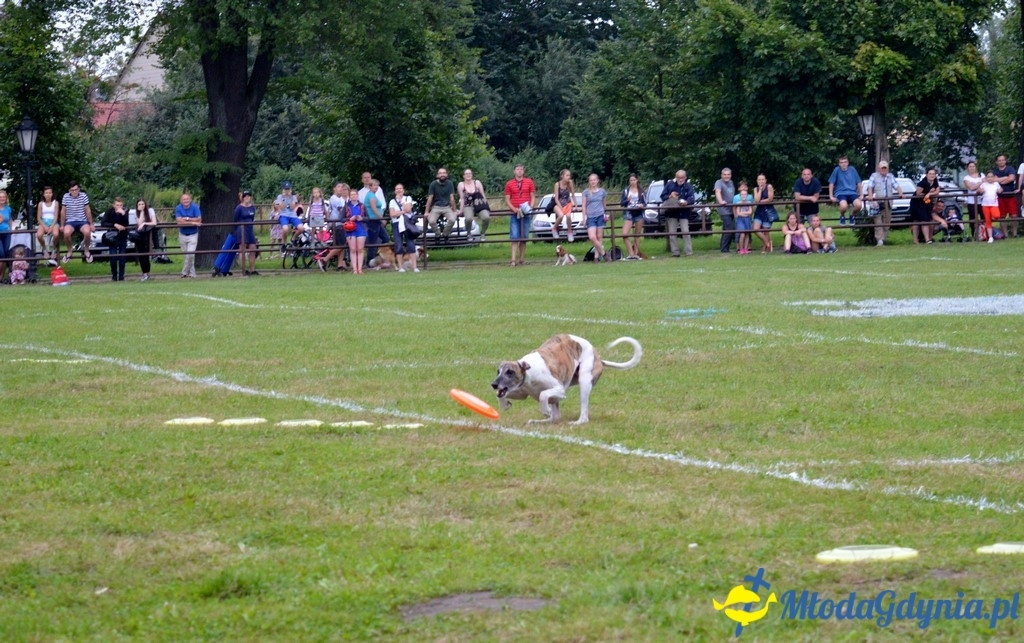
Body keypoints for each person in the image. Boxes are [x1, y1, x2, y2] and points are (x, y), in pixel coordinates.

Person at [503, 163, 535, 266]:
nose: (519, 171)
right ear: (514, 171)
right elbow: (507, 199)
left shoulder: (529, 182)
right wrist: (514, 209)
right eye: (517, 169)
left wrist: (530, 207)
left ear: (523, 171)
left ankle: (522, 259)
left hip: (526, 212)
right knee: (514, 236)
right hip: (514, 212)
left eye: (521, 169)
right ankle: (513, 259)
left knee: (524, 236)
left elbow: (533, 196)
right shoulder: (509, 184)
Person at [866, 161, 903, 246]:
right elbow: (870, 187)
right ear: (879, 168)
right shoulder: (874, 176)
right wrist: (870, 196)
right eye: (882, 168)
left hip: (888, 202)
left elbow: (896, 186)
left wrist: (901, 193)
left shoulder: (890, 176)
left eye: (885, 168)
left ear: (887, 168)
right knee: (878, 222)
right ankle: (879, 240)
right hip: (877, 202)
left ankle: (883, 239)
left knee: (887, 222)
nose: (883, 170)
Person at [661, 170, 696, 257]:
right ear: (676, 177)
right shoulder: (670, 185)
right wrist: (670, 196)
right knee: (672, 233)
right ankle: (675, 252)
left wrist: (686, 202)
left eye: (682, 177)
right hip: (672, 212)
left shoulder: (688, 186)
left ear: (685, 178)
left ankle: (689, 252)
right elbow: (662, 196)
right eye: (679, 177)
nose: (680, 179)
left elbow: (692, 199)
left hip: (684, 212)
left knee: (685, 231)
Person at [60, 181, 94, 264]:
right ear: (69, 190)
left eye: (76, 189)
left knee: (87, 232)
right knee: (66, 233)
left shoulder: (83, 196)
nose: (74, 192)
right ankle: (69, 250)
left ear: (79, 189)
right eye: (72, 190)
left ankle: (86, 250)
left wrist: (91, 224)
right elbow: (63, 211)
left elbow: (87, 210)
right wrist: (62, 225)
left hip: (82, 220)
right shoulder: (66, 197)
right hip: (70, 221)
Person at [320, 181, 349, 271]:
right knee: (340, 246)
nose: (340, 189)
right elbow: (342, 210)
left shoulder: (341, 199)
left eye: (342, 187)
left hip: (341, 224)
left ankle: (340, 265)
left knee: (342, 245)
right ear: (334, 189)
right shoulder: (334, 199)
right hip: (337, 224)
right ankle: (324, 259)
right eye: (339, 187)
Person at [390, 187, 420, 273]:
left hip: (407, 224)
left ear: (403, 190)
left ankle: (414, 267)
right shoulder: (392, 201)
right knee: (398, 244)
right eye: (397, 189)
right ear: (395, 191)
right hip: (396, 223)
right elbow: (392, 214)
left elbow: (408, 209)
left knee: (410, 244)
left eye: (400, 189)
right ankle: (400, 267)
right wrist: (403, 212)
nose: (399, 190)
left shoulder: (408, 198)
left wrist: (402, 202)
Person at [424, 167, 458, 242]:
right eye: (440, 173)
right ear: (437, 175)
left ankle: (445, 234)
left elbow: (452, 198)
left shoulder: (450, 183)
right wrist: (426, 211)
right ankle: (438, 234)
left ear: (446, 174)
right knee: (431, 221)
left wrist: (454, 210)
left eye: (444, 173)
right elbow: (430, 198)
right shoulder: (433, 184)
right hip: (436, 207)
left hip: (447, 207)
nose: (442, 174)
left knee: (452, 219)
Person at [827, 155, 862, 225]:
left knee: (859, 205)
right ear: (839, 164)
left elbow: (858, 182)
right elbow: (831, 183)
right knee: (843, 206)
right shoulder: (836, 170)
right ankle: (842, 216)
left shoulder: (852, 169)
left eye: (845, 162)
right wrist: (831, 196)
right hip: (841, 193)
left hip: (852, 192)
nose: (843, 164)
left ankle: (852, 216)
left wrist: (861, 194)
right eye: (841, 162)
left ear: (848, 163)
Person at [174, 191, 202, 278]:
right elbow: (179, 221)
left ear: (190, 200)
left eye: (187, 199)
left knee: (190, 254)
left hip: (193, 234)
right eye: (184, 199)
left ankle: (184, 272)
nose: (185, 200)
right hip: (182, 234)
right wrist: (193, 221)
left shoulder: (195, 207)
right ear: (181, 201)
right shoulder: (178, 208)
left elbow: (199, 219)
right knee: (186, 256)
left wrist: (186, 219)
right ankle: (192, 273)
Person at [582, 173, 609, 262]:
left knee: (599, 237)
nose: (593, 182)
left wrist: (605, 215)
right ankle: (604, 253)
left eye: (594, 180)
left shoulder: (602, 191)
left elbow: (604, 205)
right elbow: (584, 206)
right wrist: (584, 218)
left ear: (597, 181)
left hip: (600, 215)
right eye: (591, 180)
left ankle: (596, 257)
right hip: (590, 217)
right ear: (589, 182)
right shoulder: (586, 192)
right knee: (592, 237)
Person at [910, 168, 941, 244]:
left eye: (933, 174)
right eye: (930, 174)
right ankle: (916, 240)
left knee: (926, 219)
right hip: (917, 202)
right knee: (917, 220)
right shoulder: (922, 183)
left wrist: (929, 194)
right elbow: (918, 193)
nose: (932, 175)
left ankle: (927, 239)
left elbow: (937, 191)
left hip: (926, 202)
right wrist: (927, 193)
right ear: (927, 174)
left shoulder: (935, 181)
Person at [458, 168, 490, 241]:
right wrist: (460, 210)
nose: (468, 175)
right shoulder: (461, 185)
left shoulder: (477, 183)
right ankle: (469, 233)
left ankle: (483, 233)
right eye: (466, 174)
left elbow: (483, 194)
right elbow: (462, 198)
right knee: (468, 219)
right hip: (468, 205)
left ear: (472, 175)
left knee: (486, 217)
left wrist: (486, 205)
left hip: (479, 204)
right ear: (463, 176)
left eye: (470, 173)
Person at [363, 178, 389, 265]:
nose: (376, 187)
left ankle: (380, 256)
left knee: (385, 238)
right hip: (373, 221)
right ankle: (370, 262)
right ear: (370, 186)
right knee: (372, 242)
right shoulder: (371, 196)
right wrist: (382, 218)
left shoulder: (373, 195)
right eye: (374, 185)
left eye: (377, 186)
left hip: (376, 221)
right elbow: (374, 209)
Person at [620, 173, 646, 260]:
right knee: (624, 234)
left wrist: (642, 206)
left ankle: (636, 254)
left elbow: (645, 203)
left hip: (639, 213)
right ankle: (631, 253)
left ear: (637, 180)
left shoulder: (641, 191)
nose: (632, 182)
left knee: (637, 234)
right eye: (631, 180)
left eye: (634, 180)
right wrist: (627, 200)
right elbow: (622, 203)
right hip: (629, 213)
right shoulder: (626, 190)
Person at [103, 197, 130, 281]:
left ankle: (121, 276)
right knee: (113, 256)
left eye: (121, 205)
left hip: (122, 236)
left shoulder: (125, 212)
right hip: (112, 237)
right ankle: (114, 275)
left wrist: (123, 214)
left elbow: (126, 223)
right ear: (113, 205)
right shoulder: (109, 211)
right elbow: (103, 222)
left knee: (122, 256)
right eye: (117, 205)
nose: (119, 207)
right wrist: (114, 225)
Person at [993, 155, 1018, 239]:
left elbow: (1012, 178)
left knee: (1014, 215)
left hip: (1011, 195)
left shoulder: (1010, 168)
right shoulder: (995, 171)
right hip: (1000, 197)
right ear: (996, 162)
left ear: (1005, 161)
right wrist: (1005, 178)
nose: (1001, 162)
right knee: (1002, 216)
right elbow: (994, 180)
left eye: (1003, 160)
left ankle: (1015, 234)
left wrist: (1000, 181)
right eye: (999, 160)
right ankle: (1006, 235)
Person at [133, 198, 158, 281]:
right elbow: (139, 224)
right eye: (139, 204)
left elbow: (154, 222)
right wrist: (141, 212)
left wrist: (145, 223)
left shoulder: (150, 210)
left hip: (148, 235)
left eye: (143, 204)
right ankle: (144, 273)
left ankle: (148, 273)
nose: (141, 206)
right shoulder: (135, 213)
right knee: (141, 255)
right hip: (140, 236)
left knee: (146, 255)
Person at [234, 190, 258, 276]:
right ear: (243, 198)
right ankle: (243, 270)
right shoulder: (239, 208)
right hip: (242, 229)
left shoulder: (252, 207)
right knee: (242, 249)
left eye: (249, 196)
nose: (247, 197)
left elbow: (252, 218)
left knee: (253, 248)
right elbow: (235, 219)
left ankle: (252, 270)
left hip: (250, 229)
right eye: (245, 196)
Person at [35, 186, 61, 265]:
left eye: (50, 193)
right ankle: (44, 249)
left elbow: (56, 217)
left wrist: (52, 226)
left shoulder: (55, 203)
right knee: (39, 235)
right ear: (43, 194)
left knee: (56, 234)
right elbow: (38, 217)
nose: (48, 195)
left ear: (52, 194)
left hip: (53, 222)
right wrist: (45, 226)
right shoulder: (41, 204)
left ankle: (54, 249)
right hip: (44, 222)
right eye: (46, 193)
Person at [752, 174, 777, 253]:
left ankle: (765, 247)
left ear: (765, 180)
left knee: (766, 231)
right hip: (759, 211)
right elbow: (756, 199)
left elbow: (770, 199)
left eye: (762, 179)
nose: (761, 181)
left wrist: (759, 202)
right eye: (759, 180)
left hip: (768, 211)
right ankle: (768, 243)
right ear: (757, 181)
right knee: (755, 229)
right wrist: (760, 190)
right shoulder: (756, 189)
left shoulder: (769, 187)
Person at [274, 181, 303, 249]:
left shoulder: (293, 197)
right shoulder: (280, 197)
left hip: (292, 215)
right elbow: (282, 208)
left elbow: (292, 207)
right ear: (283, 189)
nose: (287, 191)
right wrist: (284, 198)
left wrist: (290, 197)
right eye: (285, 189)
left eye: (288, 189)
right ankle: (284, 243)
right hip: (283, 215)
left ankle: (293, 239)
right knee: (285, 229)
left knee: (301, 228)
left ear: (290, 189)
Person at [714, 168, 736, 253]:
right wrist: (721, 201)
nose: (726, 176)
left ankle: (724, 247)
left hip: (731, 208)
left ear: (730, 175)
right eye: (725, 174)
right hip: (723, 209)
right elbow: (718, 192)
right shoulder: (718, 182)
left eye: (728, 174)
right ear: (721, 175)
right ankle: (724, 249)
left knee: (726, 228)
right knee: (729, 227)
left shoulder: (731, 182)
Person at [551, 169, 577, 242]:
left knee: (568, 216)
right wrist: (561, 207)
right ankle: (554, 228)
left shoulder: (570, 183)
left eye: (569, 175)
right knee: (561, 215)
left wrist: (576, 205)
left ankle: (569, 232)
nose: (568, 177)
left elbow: (573, 195)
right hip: (558, 203)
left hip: (567, 203)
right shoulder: (557, 184)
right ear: (562, 176)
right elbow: (556, 199)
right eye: (567, 175)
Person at [346, 187, 367, 274]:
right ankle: (355, 269)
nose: (353, 196)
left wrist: (362, 218)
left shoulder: (362, 206)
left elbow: (368, 217)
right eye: (352, 195)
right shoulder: (347, 206)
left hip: (361, 228)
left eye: (355, 194)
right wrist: (350, 219)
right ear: (350, 196)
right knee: (353, 249)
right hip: (350, 229)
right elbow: (341, 218)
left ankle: (360, 269)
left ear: (357, 196)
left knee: (360, 249)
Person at [978, 171, 1003, 244]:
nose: (990, 178)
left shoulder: (996, 184)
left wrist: (1000, 190)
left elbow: (1000, 189)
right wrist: (980, 190)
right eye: (988, 177)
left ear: (994, 177)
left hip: (994, 204)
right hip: (985, 204)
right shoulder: (984, 184)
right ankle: (990, 237)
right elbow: (978, 190)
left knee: (997, 215)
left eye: (991, 177)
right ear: (986, 178)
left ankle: (993, 218)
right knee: (988, 221)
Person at [963, 161, 985, 241]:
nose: (972, 168)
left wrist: (979, 188)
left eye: (973, 166)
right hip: (972, 202)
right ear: (967, 168)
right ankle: (974, 235)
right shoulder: (966, 178)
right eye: (970, 166)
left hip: (982, 201)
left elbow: (985, 185)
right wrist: (980, 183)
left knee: (983, 218)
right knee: (972, 219)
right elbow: (971, 188)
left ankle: (984, 234)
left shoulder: (982, 175)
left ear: (976, 167)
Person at [732, 180, 754, 254]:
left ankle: (746, 248)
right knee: (741, 234)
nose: (744, 196)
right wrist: (739, 215)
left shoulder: (749, 200)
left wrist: (744, 213)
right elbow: (737, 212)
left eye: (745, 187)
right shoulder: (737, 200)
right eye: (742, 187)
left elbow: (750, 211)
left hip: (747, 220)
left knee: (747, 234)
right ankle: (740, 249)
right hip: (740, 220)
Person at [0, 190, 11, 282]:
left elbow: (9, 219)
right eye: (0, 197)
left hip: (7, 233)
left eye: (3, 197)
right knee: (1, 254)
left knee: (6, 254)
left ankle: (2, 276)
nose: (2, 199)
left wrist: (11, 230)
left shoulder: (8, 208)